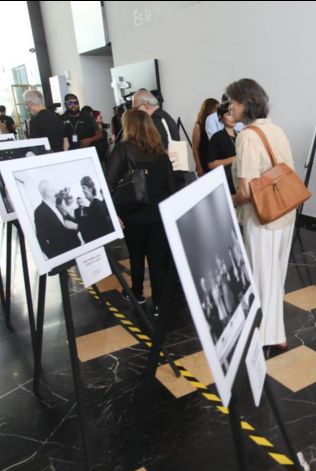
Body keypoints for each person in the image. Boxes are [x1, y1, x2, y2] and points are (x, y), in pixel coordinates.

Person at [228, 78, 295, 350]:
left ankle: (264, 336)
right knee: (274, 276)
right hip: (285, 211)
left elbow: (246, 190)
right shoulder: (276, 129)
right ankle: (275, 334)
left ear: (246, 103)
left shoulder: (246, 136)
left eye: (232, 101)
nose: (229, 106)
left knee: (259, 275)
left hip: (261, 216)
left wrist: (225, 200)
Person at [106, 109, 177, 313]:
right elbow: (171, 189)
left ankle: (136, 292)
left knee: (135, 254)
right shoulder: (160, 153)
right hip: (158, 215)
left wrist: (113, 213)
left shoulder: (122, 150)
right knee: (157, 260)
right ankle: (158, 303)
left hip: (132, 214)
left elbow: (108, 183)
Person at [34, 180, 81, 259]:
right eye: (52, 189)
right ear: (47, 192)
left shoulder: (57, 206)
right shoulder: (39, 211)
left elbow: (69, 225)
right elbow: (41, 239)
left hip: (76, 247)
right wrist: (55, 259)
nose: (55, 191)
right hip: (64, 255)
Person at [206, 101, 237, 193]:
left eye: (233, 113)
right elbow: (211, 164)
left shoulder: (240, 135)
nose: (232, 117)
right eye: (228, 114)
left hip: (241, 179)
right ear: (220, 118)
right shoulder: (216, 137)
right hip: (227, 181)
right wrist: (235, 158)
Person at [75, 175, 113, 243]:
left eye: (84, 188)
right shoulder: (92, 205)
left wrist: (77, 226)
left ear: (90, 188)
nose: (83, 191)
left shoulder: (97, 204)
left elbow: (97, 228)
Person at [192, 98, 219, 177]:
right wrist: (199, 168)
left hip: (215, 163)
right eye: (216, 109)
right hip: (204, 164)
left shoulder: (218, 124)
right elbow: (195, 148)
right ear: (209, 109)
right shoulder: (198, 126)